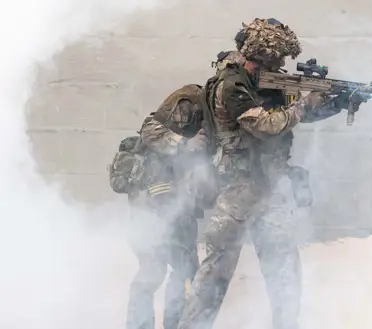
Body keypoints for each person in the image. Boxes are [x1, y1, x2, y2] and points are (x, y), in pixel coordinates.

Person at [176, 18, 350, 329]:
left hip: (270, 190)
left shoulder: (265, 83)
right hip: (236, 192)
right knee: (214, 277)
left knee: (285, 273)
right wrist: (304, 105)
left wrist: (336, 103)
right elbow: (266, 125)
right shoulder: (232, 85)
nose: (280, 64)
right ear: (262, 55)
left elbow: (296, 115)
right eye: (275, 59)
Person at [111, 82, 210, 329]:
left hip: (179, 206)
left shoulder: (220, 110)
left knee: (183, 271)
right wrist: (183, 144)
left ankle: (174, 324)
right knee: (153, 270)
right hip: (152, 205)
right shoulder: (191, 101)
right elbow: (149, 131)